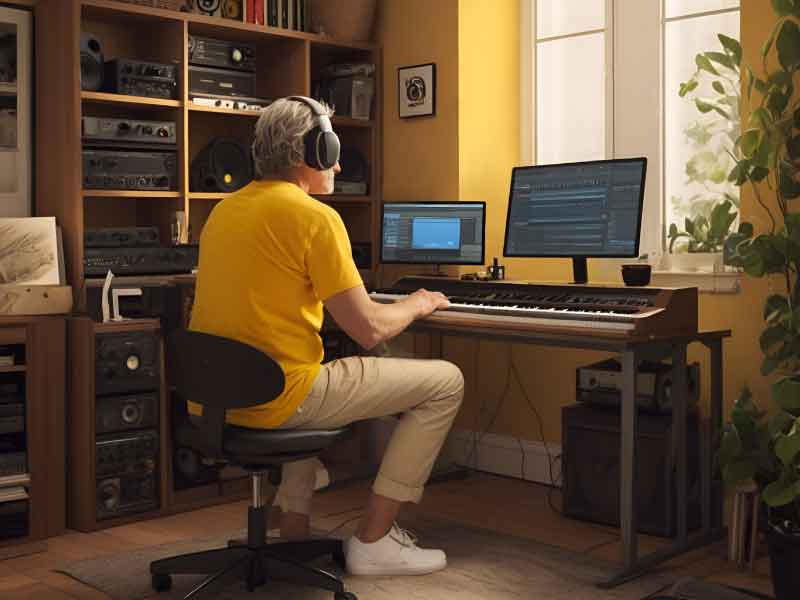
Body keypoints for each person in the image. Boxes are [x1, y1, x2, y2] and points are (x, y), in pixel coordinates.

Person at [189, 96, 465, 576]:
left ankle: (292, 527)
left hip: (215, 401)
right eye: (332, 147)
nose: (339, 162)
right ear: (307, 152)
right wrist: (420, 302)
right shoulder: (316, 217)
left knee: (309, 369)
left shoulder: (222, 212)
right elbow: (368, 328)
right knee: (446, 381)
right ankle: (375, 541)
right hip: (281, 399)